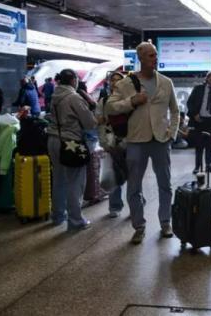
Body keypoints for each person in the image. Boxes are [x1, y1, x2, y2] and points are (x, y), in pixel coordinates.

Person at [106, 42, 180, 245]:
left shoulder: (166, 82)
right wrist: (131, 102)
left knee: (165, 184)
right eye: (150, 56)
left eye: (156, 55)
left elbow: (175, 111)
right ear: (140, 58)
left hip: (161, 140)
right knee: (134, 187)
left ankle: (165, 222)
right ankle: (139, 226)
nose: (155, 58)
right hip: (136, 140)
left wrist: (172, 133)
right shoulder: (126, 83)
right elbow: (110, 107)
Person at [47, 69, 97, 231]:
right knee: (75, 182)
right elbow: (89, 123)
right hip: (71, 142)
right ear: (74, 80)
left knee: (59, 179)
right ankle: (75, 220)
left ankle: (57, 216)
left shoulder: (55, 96)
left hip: (53, 140)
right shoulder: (74, 97)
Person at [97, 72, 128, 218]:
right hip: (111, 143)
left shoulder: (130, 100)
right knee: (114, 174)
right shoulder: (103, 101)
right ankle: (115, 205)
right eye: (112, 80)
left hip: (129, 142)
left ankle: (137, 203)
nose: (115, 83)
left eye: (118, 80)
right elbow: (100, 124)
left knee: (134, 176)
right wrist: (103, 142)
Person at [187, 71, 211, 174]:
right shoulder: (198, 89)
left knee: (209, 145)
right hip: (199, 119)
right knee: (199, 145)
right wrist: (195, 114)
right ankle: (197, 166)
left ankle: (208, 165)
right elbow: (190, 102)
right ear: (207, 79)